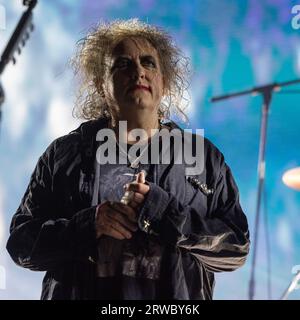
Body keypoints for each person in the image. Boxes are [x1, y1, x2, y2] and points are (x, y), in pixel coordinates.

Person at [6, 19, 250, 300]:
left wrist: (163, 213)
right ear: (101, 84)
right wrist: (90, 224)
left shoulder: (205, 158)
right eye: (122, 64)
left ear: (165, 81)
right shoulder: (63, 154)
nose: (138, 72)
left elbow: (236, 248)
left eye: (149, 63)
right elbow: (21, 244)